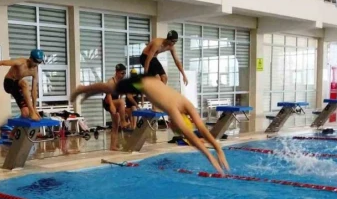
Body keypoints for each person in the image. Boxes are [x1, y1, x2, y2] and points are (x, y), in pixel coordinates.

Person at [71, 75, 229, 175]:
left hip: (151, 80)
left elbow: (200, 127)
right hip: (140, 83)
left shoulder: (184, 103)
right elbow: (190, 134)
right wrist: (210, 155)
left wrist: (218, 148)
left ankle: (87, 92)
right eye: (174, 126)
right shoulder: (173, 109)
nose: (173, 125)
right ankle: (83, 89)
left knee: (109, 89)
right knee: (110, 88)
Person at [0, 49, 44, 121]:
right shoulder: (20, 62)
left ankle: (15, 130)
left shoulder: (34, 71)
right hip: (8, 83)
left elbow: (34, 91)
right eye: (36, 61)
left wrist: (35, 108)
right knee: (25, 83)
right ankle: (31, 111)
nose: (37, 64)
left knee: (25, 113)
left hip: (17, 85)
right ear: (30, 58)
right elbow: (2, 62)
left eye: (39, 62)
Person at [103, 64, 129, 150]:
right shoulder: (111, 82)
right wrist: (112, 105)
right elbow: (108, 95)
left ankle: (112, 146)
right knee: (121, 102)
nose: (123, 75)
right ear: (117, 72)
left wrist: (120, 109)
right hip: (108, 102)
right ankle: (123, 122)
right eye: (122, 73)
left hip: (115, 102)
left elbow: (120, 95)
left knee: (115, 125)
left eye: (124, 73)